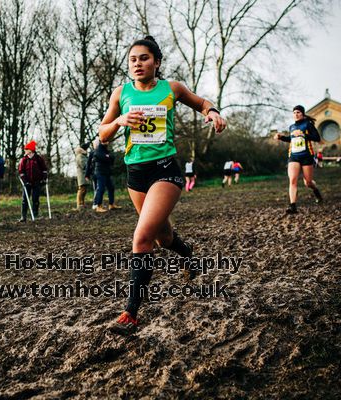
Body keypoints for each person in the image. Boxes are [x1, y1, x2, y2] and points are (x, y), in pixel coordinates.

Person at [98, 36, 226, 333]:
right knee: (161, 237)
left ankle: (130, 314)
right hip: (135, 174)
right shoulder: (121, 93)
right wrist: (119, 123)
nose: (137, 64)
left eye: (144, 58)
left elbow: (202, 103)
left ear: (156, 62)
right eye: (132, 59)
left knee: (141, 238)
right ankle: (189, 256)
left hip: (165, 171)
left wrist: (213, 112)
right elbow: (103, 134)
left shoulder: (172, 89)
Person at [274, 105, 323, 214]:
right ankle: (293, 207)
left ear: (303, 114)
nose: (296, 114)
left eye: (298, 112)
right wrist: (281, 137)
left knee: (308, 182)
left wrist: (304, 135)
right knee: (292, 180)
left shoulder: (308, 125)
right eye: (294, 112)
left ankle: (316, 191)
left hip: (306, 156)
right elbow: (291, 139)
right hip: (294, 156)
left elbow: (317, 138)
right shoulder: (291, 127)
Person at [18, 140, 48, 222]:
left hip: (36, 182)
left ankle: (35, 214)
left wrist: (43, 179)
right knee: (25, 199)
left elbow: (44, 170)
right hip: (27, 183)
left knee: (35, 199)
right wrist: (25, 181)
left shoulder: (38, 159)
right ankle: (23, 216)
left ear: (31, 150)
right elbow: (21, 171)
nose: (25, 150)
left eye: (26, 149)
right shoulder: (24, 159)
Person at [92, 139, 121, 212]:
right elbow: (103, 157)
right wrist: (107, 157)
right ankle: (98, 206)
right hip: (100, 172)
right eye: (105, 141)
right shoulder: (98, 149)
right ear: (101, 142)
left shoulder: (106, 149)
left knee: (111, 188)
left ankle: (111, 204)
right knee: (101, 189)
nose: (107, 142)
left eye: (107, 141)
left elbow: (112, 157)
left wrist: (108, 157)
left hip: (107, 172)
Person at [74, 142, 91, 209]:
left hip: (83, 175)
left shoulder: (82, 155)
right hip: (82, 175)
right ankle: (79, 204)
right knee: (81, 190)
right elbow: (84, 165)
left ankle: (82, 203)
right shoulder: (80, 156)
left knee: (84, 190)